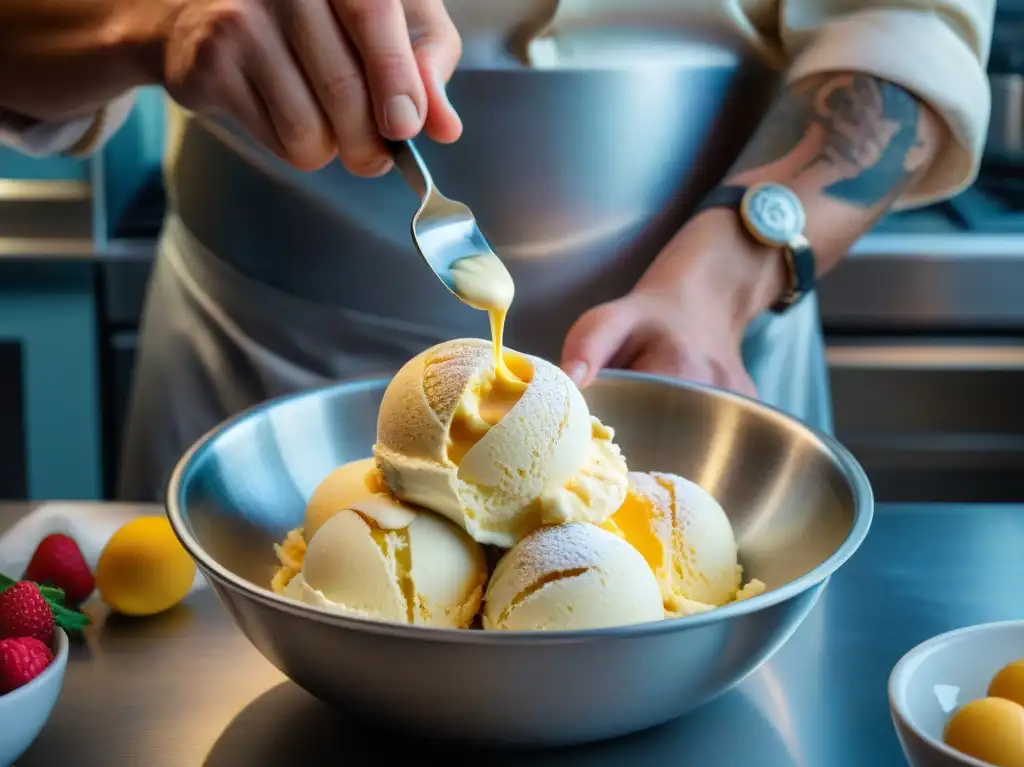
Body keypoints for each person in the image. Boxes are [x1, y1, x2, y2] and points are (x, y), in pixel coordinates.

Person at [0, 1, 993, 501]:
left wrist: (716, 286)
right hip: (257, 385)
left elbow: (905, 23)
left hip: (703, 358)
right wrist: (148, 17)